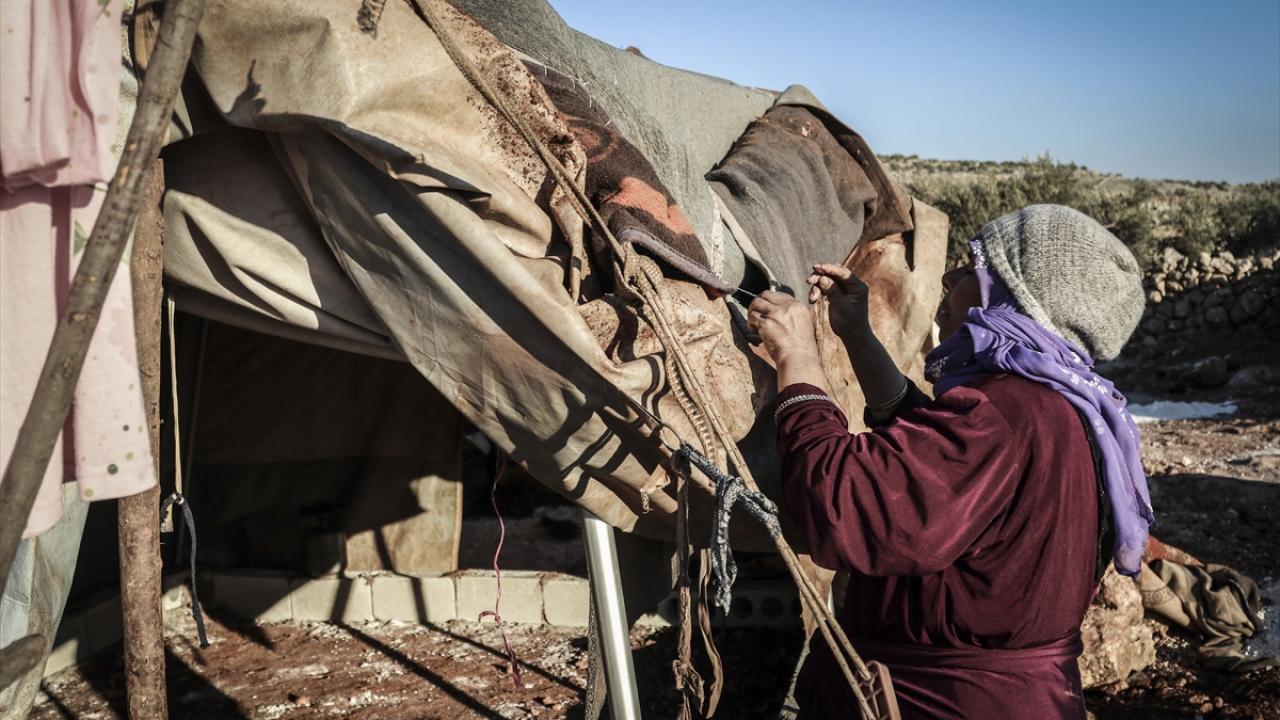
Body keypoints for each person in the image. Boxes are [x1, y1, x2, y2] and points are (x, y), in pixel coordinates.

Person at [747, 205, 1152, 719]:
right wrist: (857, 334)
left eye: (971, 268)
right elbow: (941, 464)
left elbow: (843, 504)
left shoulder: (1003, 413)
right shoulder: (1064, 408)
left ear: (1007, 296)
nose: (948, 277)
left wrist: (796, 356)